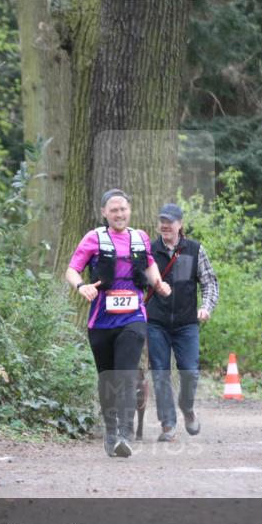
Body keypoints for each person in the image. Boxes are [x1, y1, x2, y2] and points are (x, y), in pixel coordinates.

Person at [65, 189, 171, 458]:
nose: (119, 214)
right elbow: (72, 269)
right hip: (101, 319)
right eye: (114, 210)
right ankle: (110, 431)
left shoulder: (140, 238)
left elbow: (148, 265)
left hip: (133, 316)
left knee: (125, 374)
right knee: (107, 378)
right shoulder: (93, 238)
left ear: (129, 210)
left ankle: (125, 435)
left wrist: (158, 283)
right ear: (104, 213)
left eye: (123, 209)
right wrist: (81, 286)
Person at [145, 203, 219, 442]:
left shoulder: (195, 250)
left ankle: (186, 407)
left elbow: (209, 283)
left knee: (190, 372)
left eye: (170, 221)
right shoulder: (149, 251)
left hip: (187, 323)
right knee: (160, 373)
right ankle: (168, 424)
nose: (165, 225)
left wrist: (206, 308)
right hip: (156, 322)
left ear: (180, 225)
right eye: (162, 220)